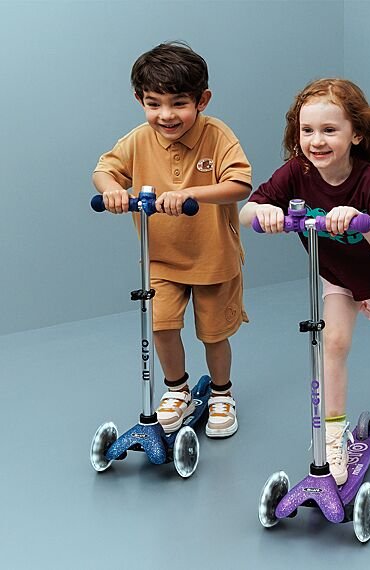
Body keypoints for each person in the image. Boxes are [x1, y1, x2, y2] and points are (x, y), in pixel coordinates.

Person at [239, 78, 370, 483]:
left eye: (329, 130)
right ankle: (333, 437)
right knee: (334, 342)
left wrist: (364, 223)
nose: (317, 141)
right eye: (307, 130)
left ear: (356, 134)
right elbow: (245, 212)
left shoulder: (368, 181)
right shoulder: (296, 173)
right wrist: (264, 212)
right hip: (337, 278)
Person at [93, 42, 251, 438]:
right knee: (161, 326)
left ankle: (222, 393)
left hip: (212, 257)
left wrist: (192, 193)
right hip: (160, 258)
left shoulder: (217, 135)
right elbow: (104, 170)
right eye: (154, 104)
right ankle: (177, 390)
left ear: (202, 101)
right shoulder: (137, 140)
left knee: (214, 334)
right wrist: (112, 190)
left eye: (179, 103)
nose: (166, 115)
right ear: (140, 100)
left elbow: (240, 184)